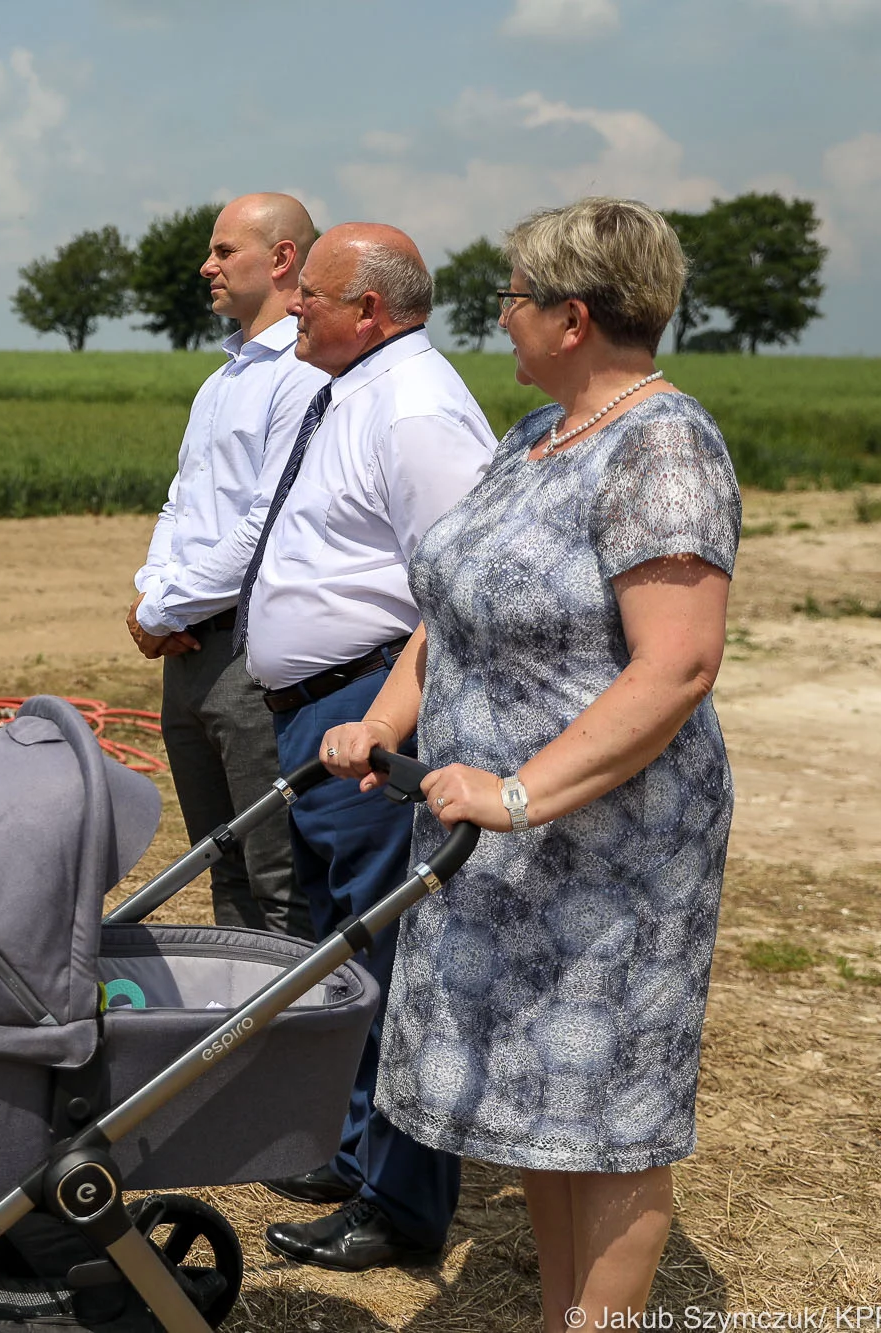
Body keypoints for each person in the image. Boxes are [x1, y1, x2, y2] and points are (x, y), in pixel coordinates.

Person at [321, 197, 738, 1331]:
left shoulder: (659, 444)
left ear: (570, 316)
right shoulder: (528, 439)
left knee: (605, 1118)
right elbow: (444, 611)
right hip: (496, 841)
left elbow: (676, 666)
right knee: (543, 1112)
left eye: (509, 297)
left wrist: (514, 792)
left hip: (603, 849)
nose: (494, 318)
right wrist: (385, 720)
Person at [241, 224, 497, 1269]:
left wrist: (389, 719)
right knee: (338, 946)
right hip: (320, 709)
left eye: (313, 293)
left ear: (373, 312)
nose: (293, 305)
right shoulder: (350, 390)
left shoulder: (417, 411)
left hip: (369, 710)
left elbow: (460, 590)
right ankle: (353, 1154)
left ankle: (397, 1199)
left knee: (383, 958)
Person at [127, 193, 324, 937]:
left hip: (250, 655)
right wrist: (157, 596)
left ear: (281, 259)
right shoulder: (223, 380)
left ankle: (291, 1040)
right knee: (224, 866)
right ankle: (238, 1033)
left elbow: (263, 526)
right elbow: (181, 505)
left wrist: (160, 610)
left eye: (222, 251)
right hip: (189, 648)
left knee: (277, 881)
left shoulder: (299, 374)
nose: (205, 266)